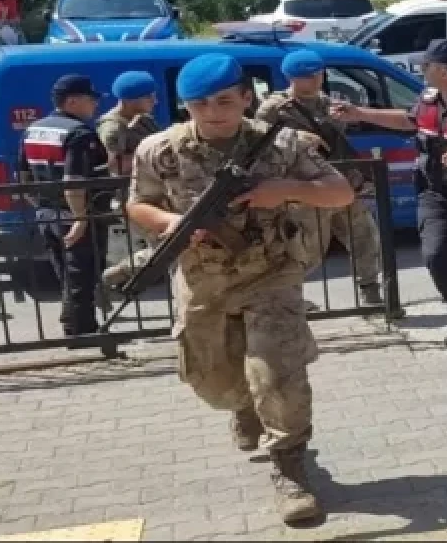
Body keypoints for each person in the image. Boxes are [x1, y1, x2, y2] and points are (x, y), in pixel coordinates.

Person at [126, 53, 354, 525]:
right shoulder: (159, 150)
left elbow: (341, 192)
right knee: (212, 378)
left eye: (224, 101)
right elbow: (138, 204)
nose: (213, 112)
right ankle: (242, 405)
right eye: (200, 104)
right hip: (202, 280)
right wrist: (170, 222)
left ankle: (289, 468)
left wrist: (284, 188)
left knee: (278, 373)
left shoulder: (283, 143)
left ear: (246, 98)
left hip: (272, 274)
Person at [332, 39, 447, 346]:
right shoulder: (428, 98)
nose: (421, 70)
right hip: (434, 190)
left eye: (426, 66)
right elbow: (409, 120)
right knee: (435, 254)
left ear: (443, 71)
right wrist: (359, 113)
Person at [255, 49, 388, 311]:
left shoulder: (327, 102)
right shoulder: (274, 108)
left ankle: (371, 291)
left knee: (363, 236)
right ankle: (288, 298)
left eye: (318, 74)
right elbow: (257, 139)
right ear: (291, 78)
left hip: (341, 181)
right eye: (308, 76)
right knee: (308, 249)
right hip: (308, 188)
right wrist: (296, 138)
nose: (316, 80)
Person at [18, 74, 111, 336]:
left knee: (66, 274)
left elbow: (23, 176)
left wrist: (40, 205)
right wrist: (80, 218)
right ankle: (81, 331)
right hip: (76, 213)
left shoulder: (33, 130)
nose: (95, 104)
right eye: (91, 99)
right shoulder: (78, 133)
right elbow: (74, 179)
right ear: (72, 101)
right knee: (83, 275)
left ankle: (73, 320)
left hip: (47, 212)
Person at [96, 70, 161, 291]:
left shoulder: (142, 120)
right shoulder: (113, 127)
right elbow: (115, 166)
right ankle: (116, 274)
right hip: (132, 195)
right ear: (131, 100)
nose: (154, 101)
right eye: (148, 97)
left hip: (152, 189)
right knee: (168, 244)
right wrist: (149, 153)